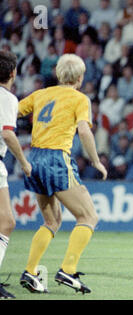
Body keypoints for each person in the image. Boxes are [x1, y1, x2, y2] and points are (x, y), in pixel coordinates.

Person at [18, 54, 107, 294]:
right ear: (80, 78)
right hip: (56, 158)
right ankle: (68, 270)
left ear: (58, 74)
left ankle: (30, 271)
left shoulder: (41, 94)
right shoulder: (80, 99)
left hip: (34, 158)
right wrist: (96, 161)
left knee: (52, 221)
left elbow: (12, 112)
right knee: (88, 217)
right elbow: (85, 132)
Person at [0, 50, 32, 299]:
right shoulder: (9, 99)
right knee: (7, 223)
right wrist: (23, 161)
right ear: (13, 73)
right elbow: (8, 134)